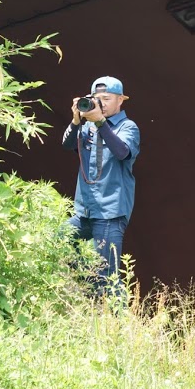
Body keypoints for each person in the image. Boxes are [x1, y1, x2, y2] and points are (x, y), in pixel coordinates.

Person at [61, 76, 140, 294]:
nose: (101, 103)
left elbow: (122, 152)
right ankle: (86, 284)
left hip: (110, 213)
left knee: (108, 277)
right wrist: (76, 121)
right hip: (85, 211)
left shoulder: (128, 127)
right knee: (57, 241)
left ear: (120, 100)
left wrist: (100, 122)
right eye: (97, 98)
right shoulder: (87, 126)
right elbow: (67, 145)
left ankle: (118, 314)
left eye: (106, 98)